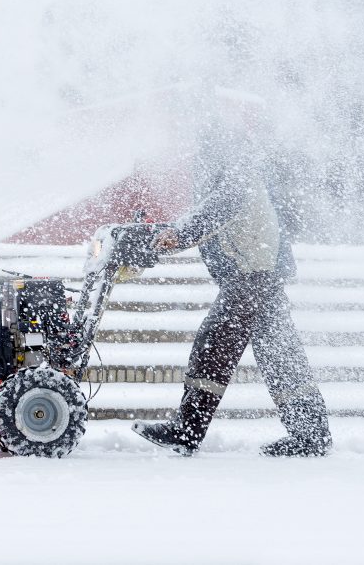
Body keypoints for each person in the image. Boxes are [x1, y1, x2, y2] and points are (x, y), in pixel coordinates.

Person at [131, 127, 332, 457]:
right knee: (280, 358)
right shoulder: (239, 176)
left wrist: (174, 237)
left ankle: (187, 430)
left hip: (250, 280)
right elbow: (210, 214)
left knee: (212, 349)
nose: (198, 164)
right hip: (260, 280)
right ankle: (311, 434)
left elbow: (210, 216)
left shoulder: (237, 179)